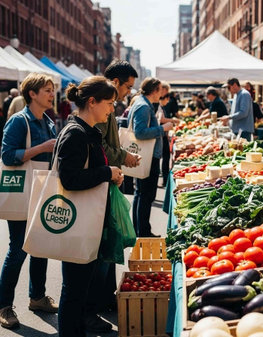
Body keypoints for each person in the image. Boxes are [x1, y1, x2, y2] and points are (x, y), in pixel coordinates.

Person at [55, 77, 123, 337]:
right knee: (73, 292)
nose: (111, 109)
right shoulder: (75, 133)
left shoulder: (87, 130)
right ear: (92, 102)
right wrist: (107, 171)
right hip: (78, 223)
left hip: (87, 222)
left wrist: (110, 173)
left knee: (79, 291)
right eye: (108, 103)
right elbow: (69, 178)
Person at [83, 60, 140, 333]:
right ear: (115, 82)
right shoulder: (100, 109)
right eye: (128, 86)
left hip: (109, 179)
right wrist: (122, 159)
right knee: (103, 250)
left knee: (108, 248)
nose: (129, 91)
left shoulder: (110, 106)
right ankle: (91, 309)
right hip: (101, 183)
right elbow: (100, 146)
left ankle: (103, 301)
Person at [0, 73, 58, 329]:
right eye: (47, 89)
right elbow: (8, 156)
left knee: (41, 246)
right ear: (32, 93)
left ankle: (37, 297)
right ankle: (3, 306)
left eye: (52, 89)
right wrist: (42, 148)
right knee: (18, 250)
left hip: (42, 193)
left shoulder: (49, 121)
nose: (52, 94)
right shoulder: (18, 121)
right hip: (24, 192)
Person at [129, 78, 174, 237]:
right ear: (154, 90)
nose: (162, 93)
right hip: (148, 157)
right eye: (161, 89)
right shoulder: (144, 106)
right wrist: (162, 128)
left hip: (146, 156)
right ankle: (143, 231)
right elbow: (140, 132)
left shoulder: (142, 104)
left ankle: (140, 229)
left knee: (141, 193)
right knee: (146, 195)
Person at [156, 82, 179, 187]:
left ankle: (165, 179)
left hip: (162, 134)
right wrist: (172, 121)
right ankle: (165, 180)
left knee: (165, 158)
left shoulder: (159, 104)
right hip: (161, 134)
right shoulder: (158, 105)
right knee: (164, 158)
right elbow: (161, 119)